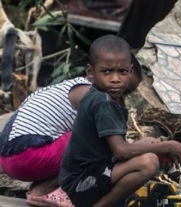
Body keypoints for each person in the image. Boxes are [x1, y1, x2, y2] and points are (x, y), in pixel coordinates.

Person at [59, 35, 181, 207]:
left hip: (92, 174)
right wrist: (166, 147)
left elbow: (119, 150)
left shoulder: (107, 98)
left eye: (122, 72)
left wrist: (156, 144)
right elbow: (121, 152)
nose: (115, 79)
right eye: (106, 72)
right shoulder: (102, 102)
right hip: (82, 183)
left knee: (149, 142)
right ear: (90, 72)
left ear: (130, 70)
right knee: (148, 162)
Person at [0, 54, 142, 203]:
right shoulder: (92, 97)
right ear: (93, 73)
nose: (118, 93)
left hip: (10, 158)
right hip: (26, 157)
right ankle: (47, 189)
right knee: (99, 140)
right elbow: (118, 150)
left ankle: (42, 189)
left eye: (125, 92)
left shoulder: (70, 86)